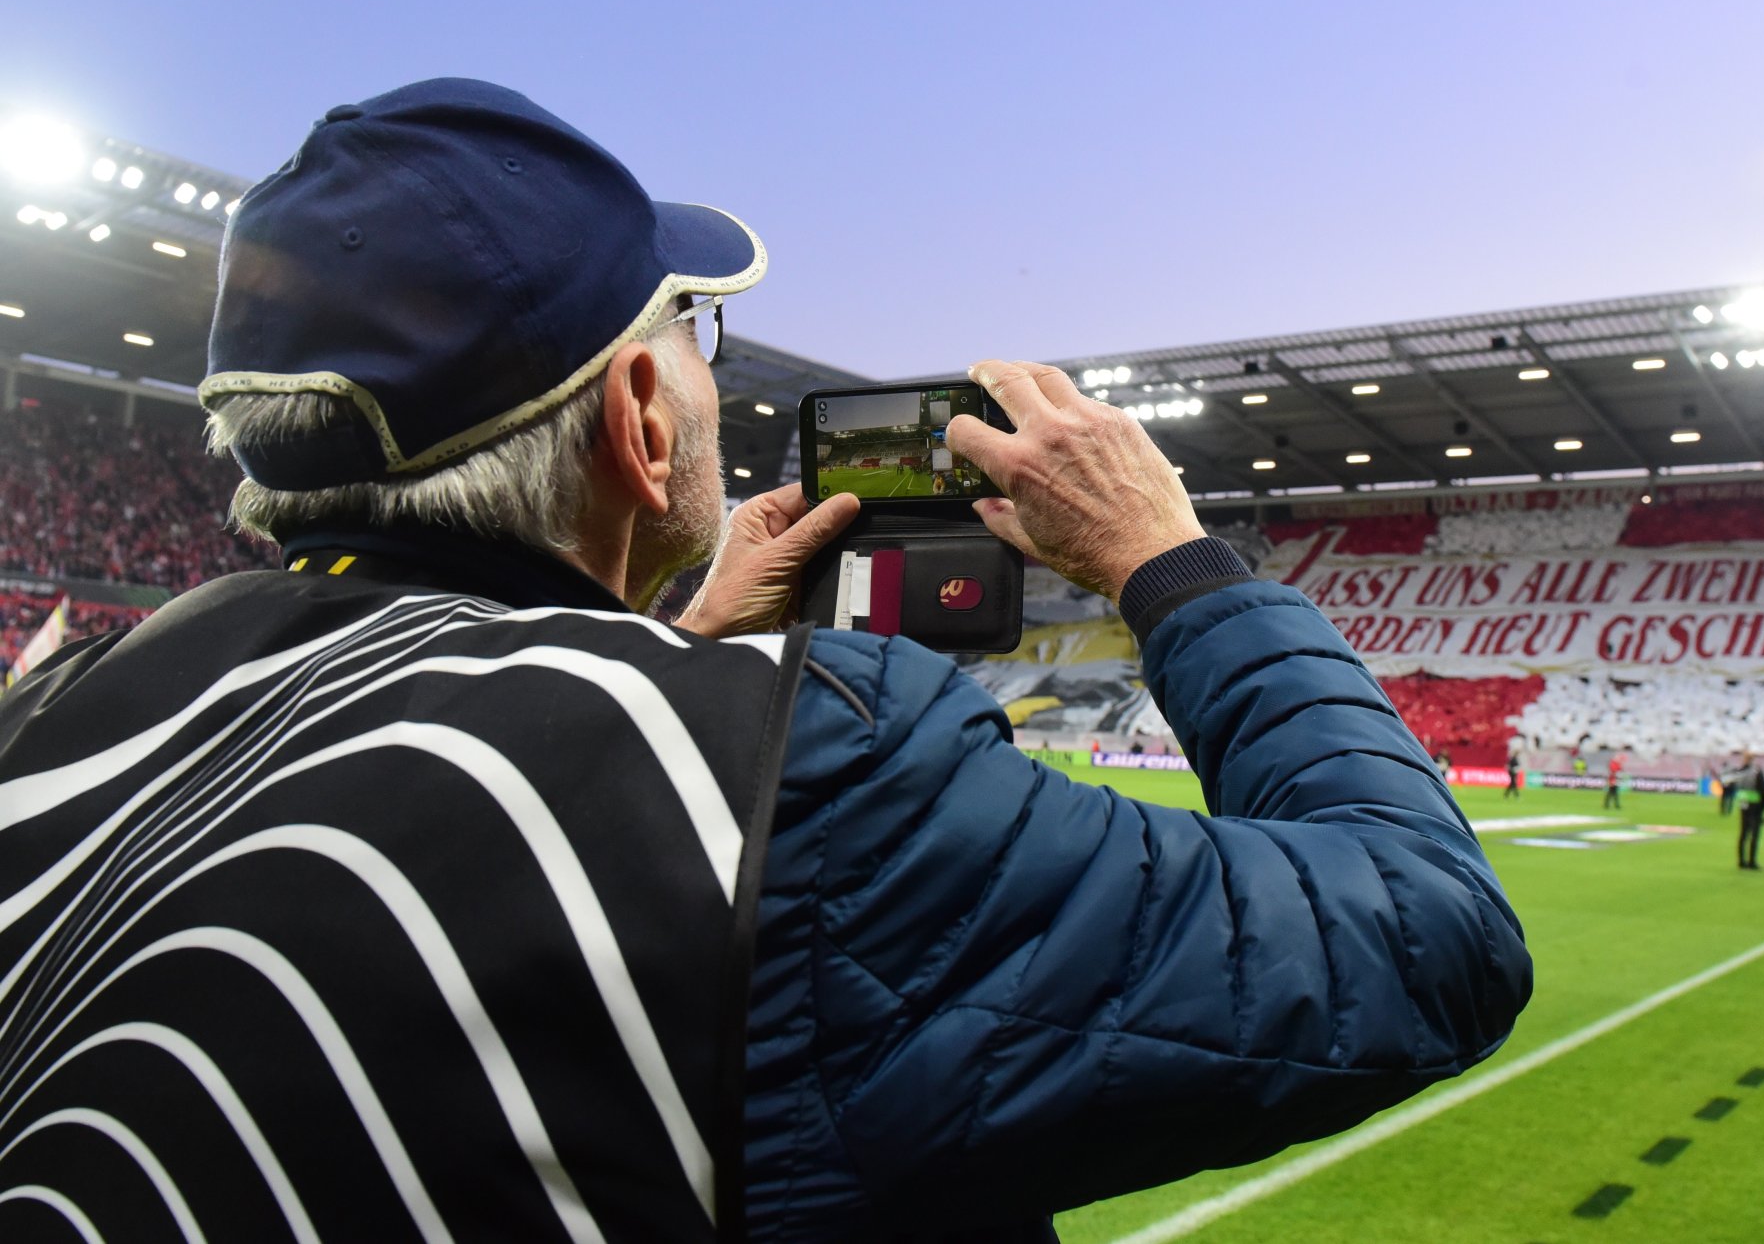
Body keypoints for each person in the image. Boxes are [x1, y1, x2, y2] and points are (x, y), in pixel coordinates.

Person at [0, 79, 1530, 1242]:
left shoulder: (65, 716)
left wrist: (664, 662)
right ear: (641, 421)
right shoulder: (821, 769)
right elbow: (1428, 934)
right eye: (696, 340)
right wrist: (1167, 563)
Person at [1726, 752, 1764, 870]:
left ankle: (1741, 860)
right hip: (1755, 807)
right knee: (1754, 835)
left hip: (1743, 805)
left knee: (1743, 834)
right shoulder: (1756, 772)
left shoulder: (1739, 772)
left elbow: (1730, 785)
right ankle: (1752, 861)